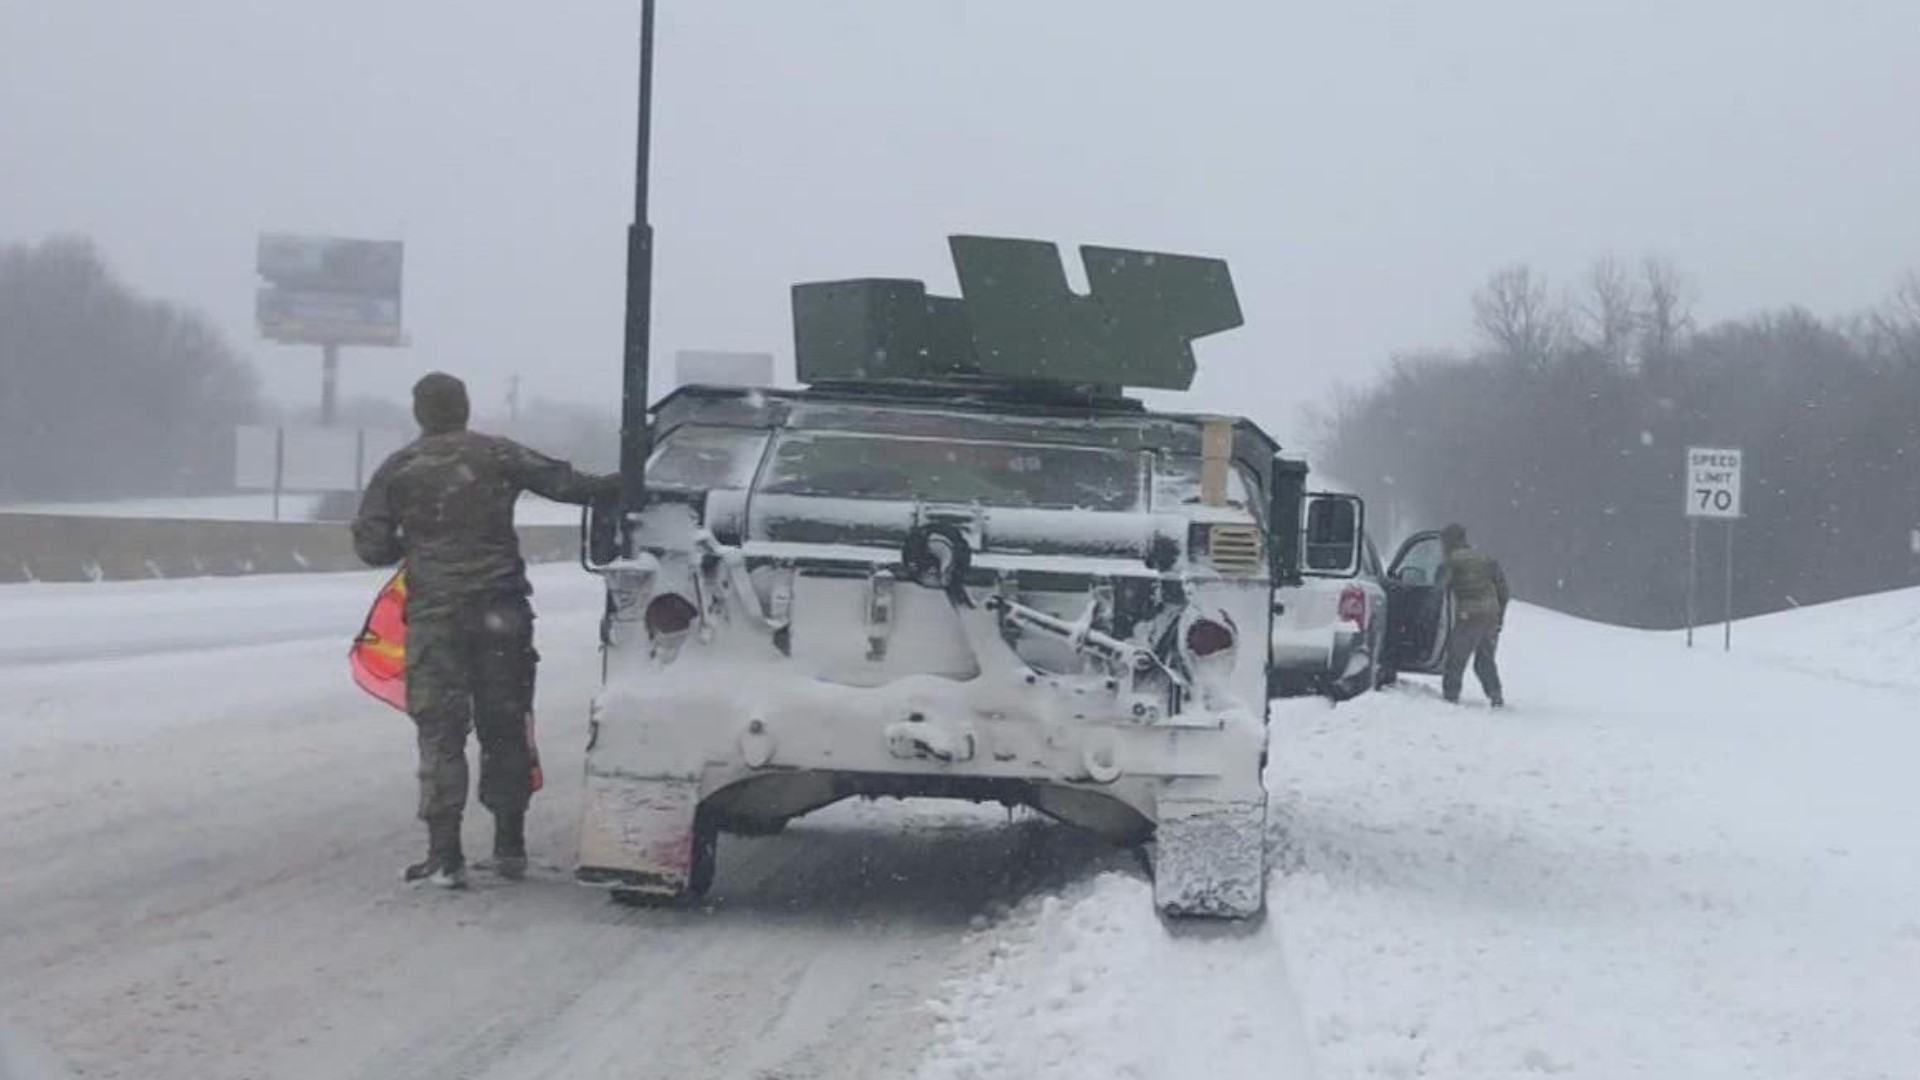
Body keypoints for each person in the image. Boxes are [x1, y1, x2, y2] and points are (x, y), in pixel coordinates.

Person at [353, 372, 618, 887]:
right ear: (465, 408)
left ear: (419, 412)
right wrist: (633, 477)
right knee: (506, 725)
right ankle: (509, 843)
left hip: (436, 618)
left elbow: (372, 547)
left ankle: (445, 853)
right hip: (501, 613)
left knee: (441, 733)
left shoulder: (400, 468)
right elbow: (572, 486)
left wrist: (418, 540)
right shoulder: (497, 455)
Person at [1439, 523, 1508, 708]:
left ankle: (1450, 697)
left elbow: (1440, 586)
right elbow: (1503, 590)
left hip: (1469, 614)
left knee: (1456, 657)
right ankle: (1495, 693)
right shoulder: (1485, 559)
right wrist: (1499, 616)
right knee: (1484, 659)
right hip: (1491, 615)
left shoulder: (1452, 560)